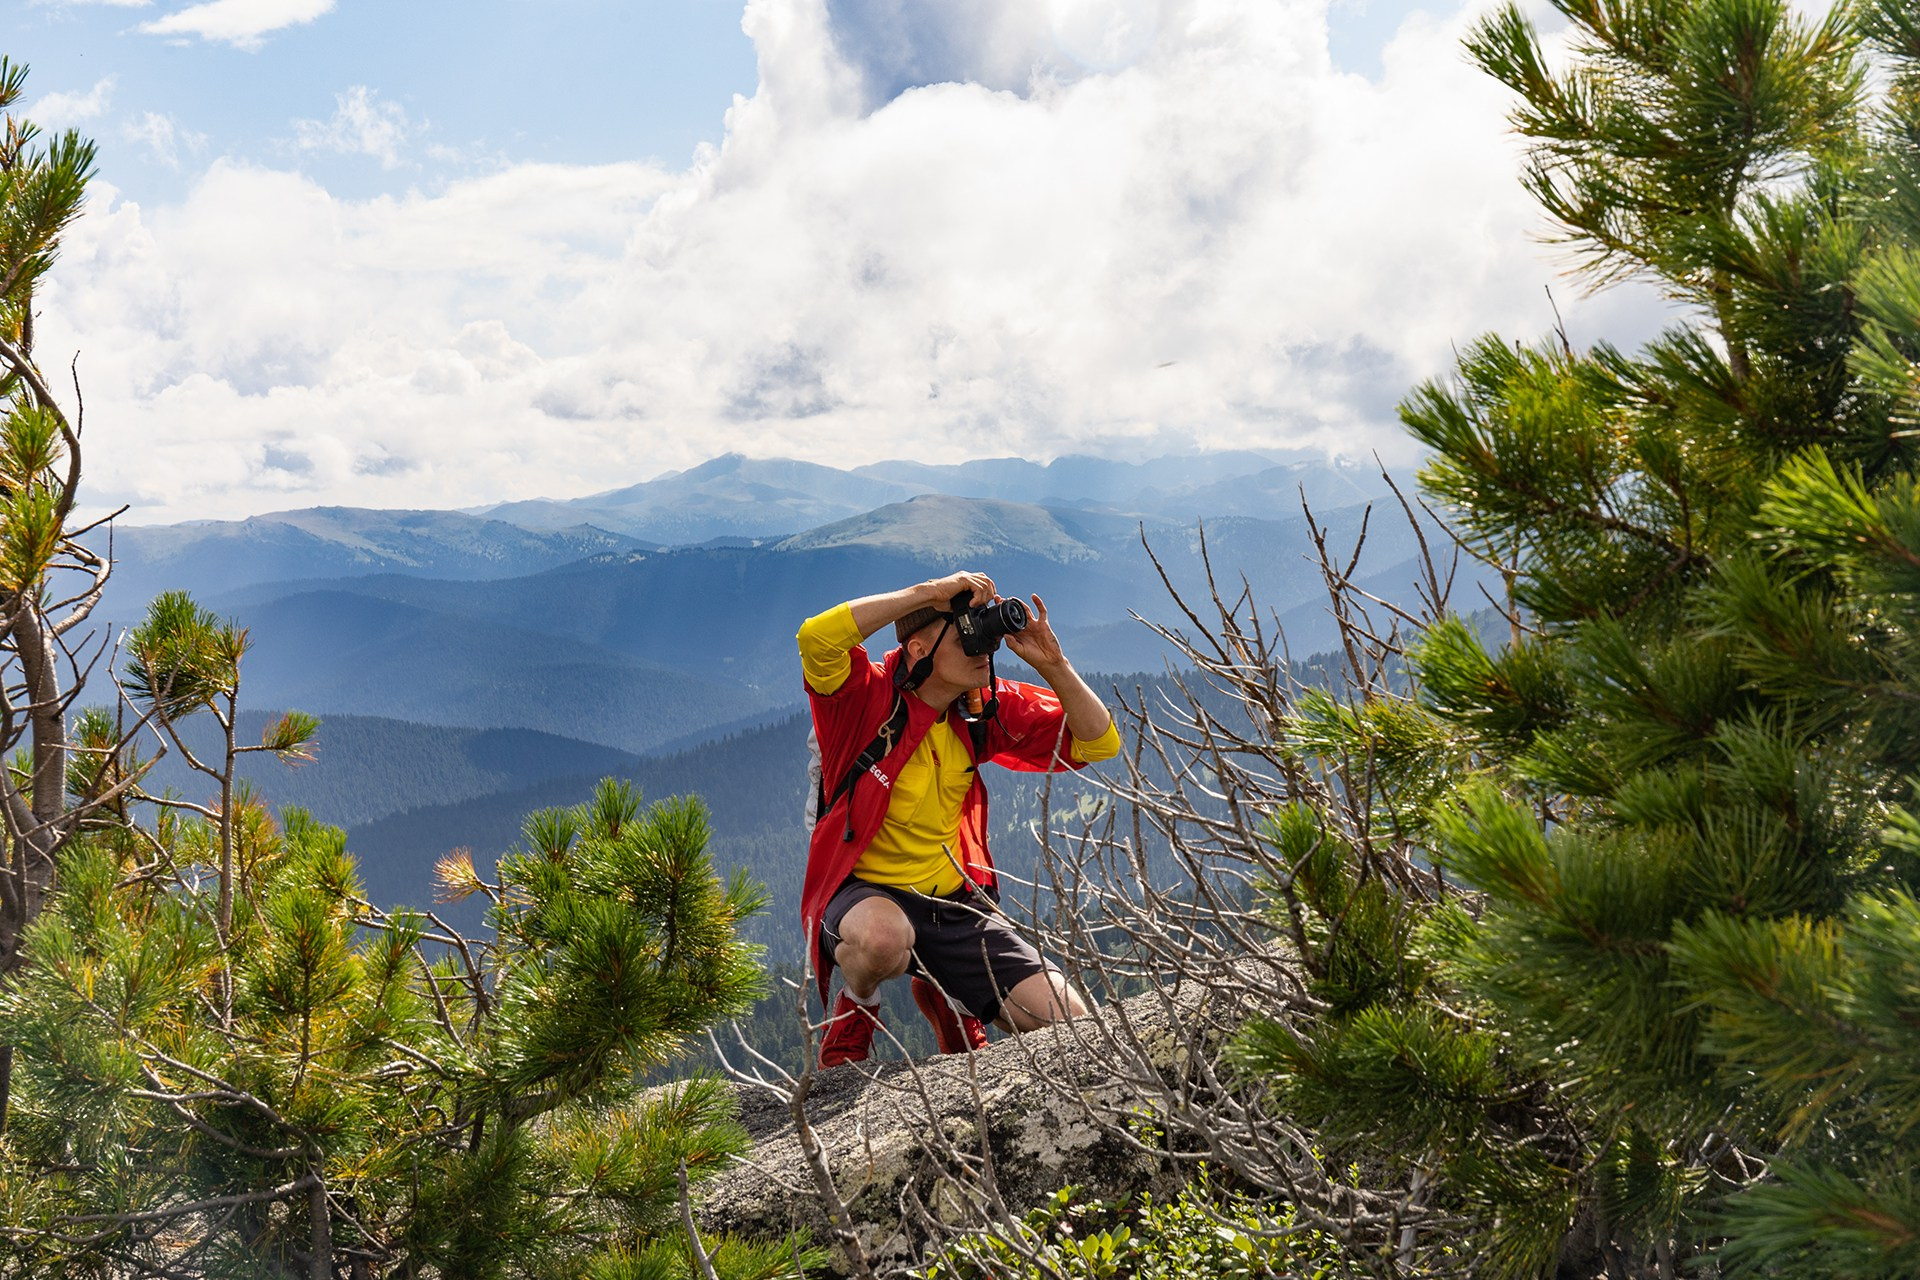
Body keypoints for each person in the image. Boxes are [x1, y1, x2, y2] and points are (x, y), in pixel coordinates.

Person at [797, 570, 1121, 1068]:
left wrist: (1054, 664)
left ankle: (950, 995)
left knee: (1072, 1025)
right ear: (919, 649)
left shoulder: (978, 710)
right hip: (865, 893)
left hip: (953, 902)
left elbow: (1098, 741)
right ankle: (859, 1005)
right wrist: (929, 595)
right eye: (967, 634)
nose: (983, 649)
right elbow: (815, 638)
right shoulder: (863, 699)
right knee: (884, 942)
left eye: (984, 635)